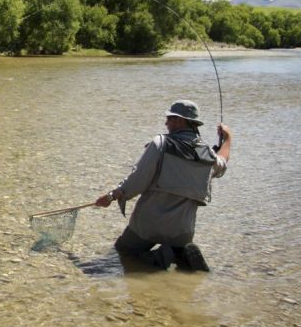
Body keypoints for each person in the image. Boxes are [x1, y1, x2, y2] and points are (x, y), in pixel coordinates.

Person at [94, 100, 232, 271]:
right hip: (182, 230)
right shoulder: (208, 155)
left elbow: (137, 180)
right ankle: (178, 252)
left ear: (181, 121)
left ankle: (159, 257)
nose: (166, 123)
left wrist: (112, 196)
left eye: (170, 118)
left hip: (148, 225)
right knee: (179, 244)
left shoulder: (161, 144)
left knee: (124, 252)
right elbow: (223, 161)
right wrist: (227, 138)